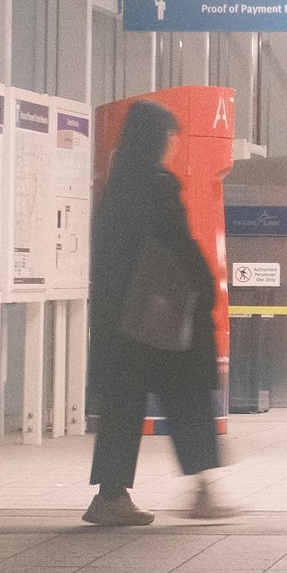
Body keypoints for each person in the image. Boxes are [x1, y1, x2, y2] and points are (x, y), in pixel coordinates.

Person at [81, 103, 226, 524]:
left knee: (123, 406)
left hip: (120, 320)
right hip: (160, 314)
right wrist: (205, 288)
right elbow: (179, 244)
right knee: (188, 396)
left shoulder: (116, 188)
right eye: (167, 138)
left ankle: (110, 497)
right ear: (153, 139)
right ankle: (203, 491)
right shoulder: (157, 185)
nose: (170, 146)